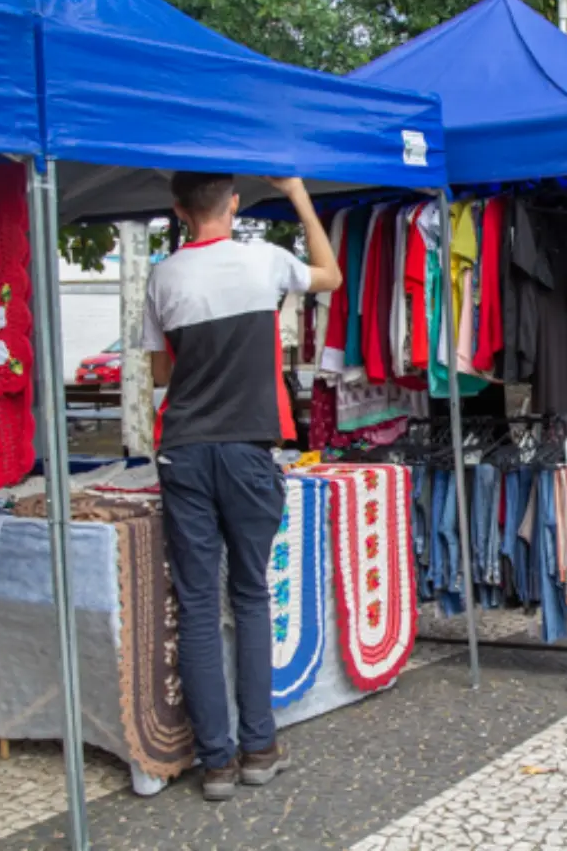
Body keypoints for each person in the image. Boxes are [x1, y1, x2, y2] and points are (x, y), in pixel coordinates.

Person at [143, 173, 341, 801]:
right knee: (249, 594)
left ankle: (216, 763)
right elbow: (329, 275)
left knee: (199, 605)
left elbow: (158, 370)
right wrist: (298, 197)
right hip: (250, 446)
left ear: (178, 209)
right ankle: (259, 747)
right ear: (232, 203)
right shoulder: (267, 261)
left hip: (183, 450)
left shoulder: (162, 276)